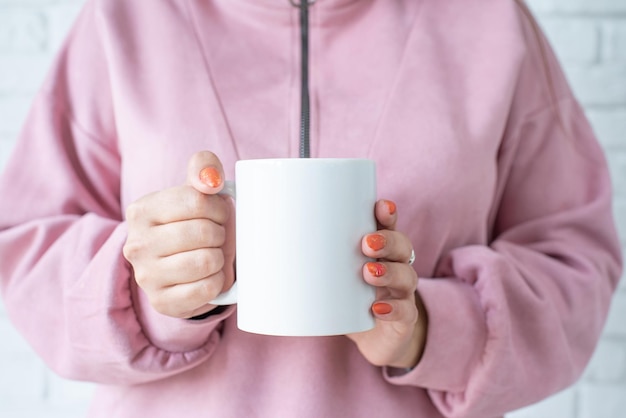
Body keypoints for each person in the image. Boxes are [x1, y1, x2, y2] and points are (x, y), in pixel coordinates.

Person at [0, 0, 622, 417]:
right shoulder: (128, 18)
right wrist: (150, 295)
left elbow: (576, 259)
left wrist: (432, 330)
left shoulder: (488, 22)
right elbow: (24, 245)